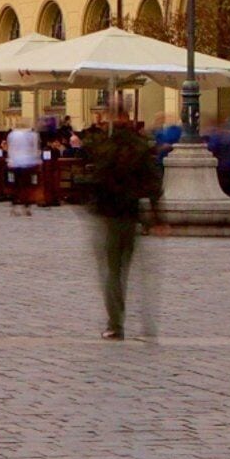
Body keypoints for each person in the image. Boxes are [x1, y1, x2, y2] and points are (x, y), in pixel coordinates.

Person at [72, 101, 161, 339]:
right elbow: (153, 181)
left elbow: (94, 171)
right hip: (130, 214)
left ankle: (116, 324)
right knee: (128, 269)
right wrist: (155, 214)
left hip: (108, 214)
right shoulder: (139, 143)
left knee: (112, 272)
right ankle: (145, 323)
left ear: (111, 116)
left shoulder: (105, 143)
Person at [4, 114, 46, 217]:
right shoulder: (32, 135)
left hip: (16, 163)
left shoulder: (12, 134)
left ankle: (14, 207)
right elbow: (35, 149)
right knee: (28, 185)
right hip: (28, 163)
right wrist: (38, 161)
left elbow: (11, 149)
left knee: (16, 185)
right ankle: (26, 207)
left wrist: (10, 160)